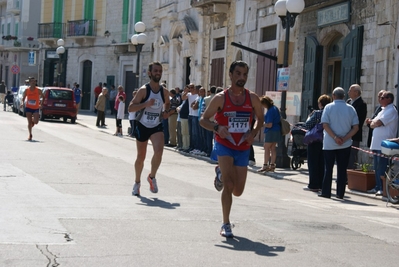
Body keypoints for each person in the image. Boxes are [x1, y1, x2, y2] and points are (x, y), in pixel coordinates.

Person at [200, 60, 264, 238]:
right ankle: (226, 223)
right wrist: (216, 127)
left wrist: (253, 132)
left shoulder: (252, 98)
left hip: (243, 146)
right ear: (230, 75)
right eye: (238, 74)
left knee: (238, 191)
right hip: (224, 144)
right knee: (228, 185)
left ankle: (220, 173)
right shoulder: (221, 98)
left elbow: (260, 118)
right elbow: (203, 119)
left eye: (244, 74)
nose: (241, 78)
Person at [128, 61, 170, 196]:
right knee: (141, 156)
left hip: (156, 125)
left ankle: (152, 177)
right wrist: (146, 104)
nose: (158, 73)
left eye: (160, 71)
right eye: (156, 71)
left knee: (159, 152)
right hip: (143, 125)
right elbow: (131, 107)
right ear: (150, 73)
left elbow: (168, 104)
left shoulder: (164, 92)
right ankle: (137, 182)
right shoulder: (143, 90)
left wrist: (166, 112)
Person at [318, 87, 359, 200]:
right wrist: (344, 138)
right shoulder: (351, 109)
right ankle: (340, 193)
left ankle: (326, 191)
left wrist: (335, 137)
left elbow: (325, 124)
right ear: (344, 96)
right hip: (345, 144)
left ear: (333, 95)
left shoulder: (328, 107)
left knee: (328, 168)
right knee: (342, 169)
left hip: (330, 143)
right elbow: (355, 127)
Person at [365, 91, 398, 195]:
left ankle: (382, 188)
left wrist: (373, 123)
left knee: (382, 166)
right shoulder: (382, 110)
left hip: (384, 144)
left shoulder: (391, 110)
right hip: (376, 143)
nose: (380, 99)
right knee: (376, 167)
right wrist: (373, 123)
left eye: (382, 98)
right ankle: (377, 186)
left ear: (389, 99)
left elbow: (377, 123)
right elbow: (371, 124)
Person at [303, 94, 332, 192]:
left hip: (315, 140)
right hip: (327, 140)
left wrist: (309, 116)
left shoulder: (317, 113)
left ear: (320, 103)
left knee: (313, 163)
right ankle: (321, 184)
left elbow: (307, 125)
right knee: (322, 163)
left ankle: (313, 184)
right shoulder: (331, 114)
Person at [257, 96, 281, 172]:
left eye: (262, 104)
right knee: (273, 148)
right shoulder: (275, 108)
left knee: (266, 147)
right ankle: (272, 165)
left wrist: (263, 124)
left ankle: (265, 165)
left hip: (271, 131)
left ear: (265, 103)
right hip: (277, 130)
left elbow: (269, 124)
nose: (262, 106)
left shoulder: (270, 111)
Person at [346, 84, 367, 169]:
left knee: (352, 156)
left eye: (350, 90)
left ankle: (349, 175)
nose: (348, 92)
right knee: (344, 155)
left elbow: (357, 119)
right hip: (344, 133)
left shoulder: (361, 104)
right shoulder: (348, 102)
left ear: (356, 92)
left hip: (354, 134)